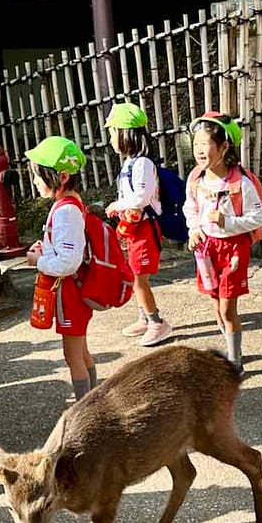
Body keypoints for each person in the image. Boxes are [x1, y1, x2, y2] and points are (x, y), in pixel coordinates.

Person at [183, 112, 262, 374]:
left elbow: (257, 217)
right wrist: (193, 230)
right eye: (196, 144)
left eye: (205, 143)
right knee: (216, 305)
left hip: (233, 250)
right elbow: (190, 207)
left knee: (228, 308)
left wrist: (227, 222)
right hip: (206, 250)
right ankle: (232, 348)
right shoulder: (196, 178)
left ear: (224, 146)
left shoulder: (241, 183)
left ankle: (235, 360)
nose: (199, 150)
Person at [23, 135, 97, 402]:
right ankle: (92, 402)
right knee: (82, 351)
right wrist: (47, 249)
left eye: (38, 175)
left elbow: (69, 262)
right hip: (73, 289)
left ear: (62, 177)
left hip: (69, 291)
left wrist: (38, 262)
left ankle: (84, 409)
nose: (35, 181)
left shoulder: (66, 211)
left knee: (72, 356)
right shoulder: (69, 205)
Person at [103, 103, 173, 346]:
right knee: (134, 275)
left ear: (125, 134)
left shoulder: (142, 164)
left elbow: (142, 198)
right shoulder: (131, 163)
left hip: (144, 230)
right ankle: (144, 317)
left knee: (138, 279)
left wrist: (117, 205)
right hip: (134, 229)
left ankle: (157, 322)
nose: (110, 138)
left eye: (113, 132)